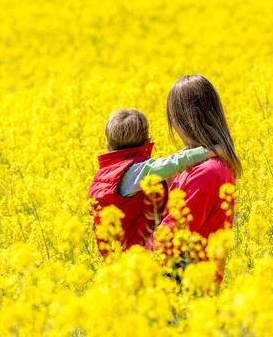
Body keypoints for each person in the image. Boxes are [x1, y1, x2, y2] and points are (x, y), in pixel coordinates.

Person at [146, 75, 242, 282]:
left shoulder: (209, 171)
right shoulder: (197, 165)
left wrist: (134, 265)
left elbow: (175, 231)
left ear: (182, 120)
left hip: (189, 284)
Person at [89, 109, 218, 258]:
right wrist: (209, 152)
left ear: (108, 147)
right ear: (147, 142)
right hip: (137, 257)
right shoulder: (132, 172)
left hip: (118, 257)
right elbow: (171, 164)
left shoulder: (104, 177)